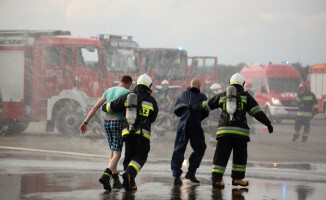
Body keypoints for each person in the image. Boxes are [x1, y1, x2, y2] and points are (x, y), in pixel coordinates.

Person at [190, 73, 273, 188]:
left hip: (224, 132)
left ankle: (217, 180)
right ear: (242, 84)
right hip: (241, 133)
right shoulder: (246, 96)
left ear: (230, 83)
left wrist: (192, 107)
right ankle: (237, 179)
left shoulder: (223, 95)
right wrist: (268, 123)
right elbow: (257, 112)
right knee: (240, 156)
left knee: (221, 156)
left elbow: (206, 105)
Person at [101, 73, 158, 191]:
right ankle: (129, 175)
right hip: (143, 135)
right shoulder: (152, 101)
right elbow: (153, 118)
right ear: (149, 86)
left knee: (128, 158)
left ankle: (129, 183)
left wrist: (104, 106)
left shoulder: (128, 96)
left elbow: (111, 107)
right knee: (140, 156)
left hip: (127, 132)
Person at [79, 75, 132, 192]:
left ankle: (115, 180)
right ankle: (106, 175)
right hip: (118, 123)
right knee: (118, 153)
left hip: (107, 122)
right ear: (129, 83)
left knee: (112, 150)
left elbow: (95, 107)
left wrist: (85, 122)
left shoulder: (109, 91)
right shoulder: (128, 92)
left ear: (120, 81)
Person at [171, 78, 209, 185]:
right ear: (199, 86)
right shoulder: (202, 97)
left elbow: (176, 110)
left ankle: (176, 176)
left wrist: (185, 115)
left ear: (190, 85)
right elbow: (205, 112)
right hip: (195, 125)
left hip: (182, 124)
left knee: (179, 149)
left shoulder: (182, 94)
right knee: (200, 148)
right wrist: (196, 118)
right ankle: (191, 172)